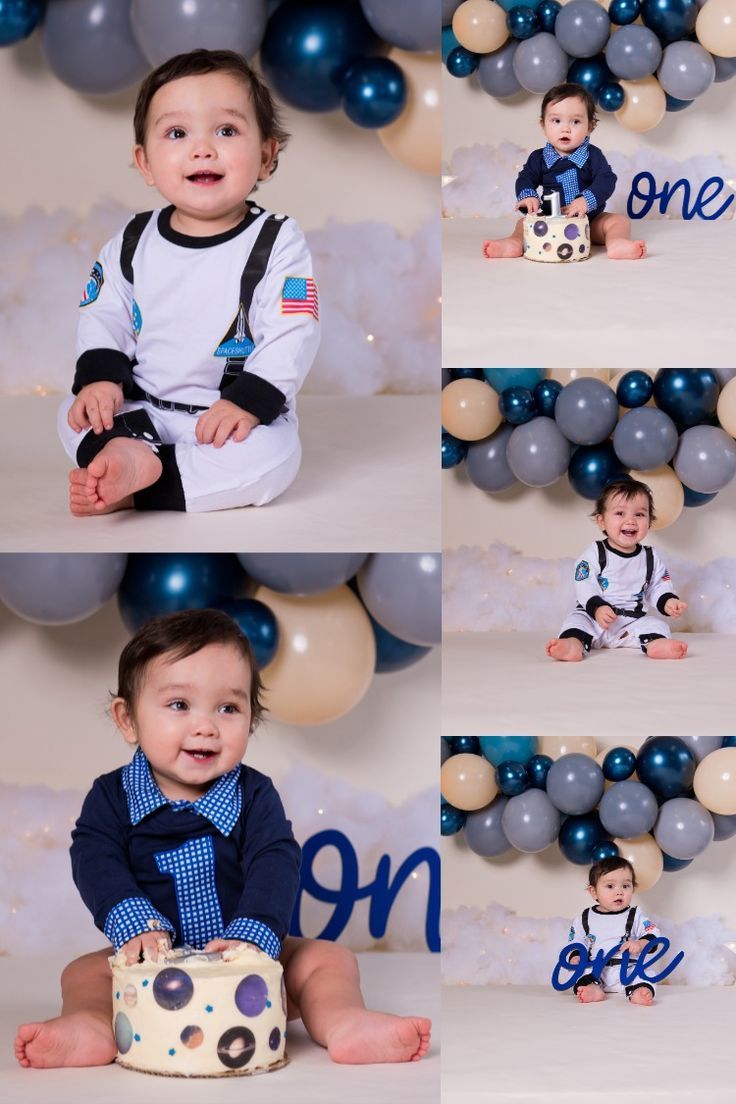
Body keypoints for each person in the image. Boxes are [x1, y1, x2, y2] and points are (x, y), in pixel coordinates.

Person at [14, 610, 431, 1068]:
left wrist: (254, 934)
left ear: (252, 718)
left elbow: (276, 860)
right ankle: (91, 1027)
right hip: (149, 970)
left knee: (328, 961)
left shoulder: (254, 795)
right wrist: (133, 924)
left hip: (248, 974)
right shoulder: (112, 798)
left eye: (228, 707)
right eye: (179, 705)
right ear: (128, 719)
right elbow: (95, 858)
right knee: (83, 974)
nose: (206, 725)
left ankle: (344, 1022)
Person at [57, 49, 320, 516]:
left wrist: (248, 404)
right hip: (143, 411)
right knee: (74, 414)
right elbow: (105, 313)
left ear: (265, 155)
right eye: (177, 133)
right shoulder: (133, 239)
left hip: (232, 420)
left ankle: (138, 481)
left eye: (227, 130)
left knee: (273, 459)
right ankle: (131, 452)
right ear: (145, 163)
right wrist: (100, 380)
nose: (203, 148)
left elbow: (293, 331)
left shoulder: (278, 241)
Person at [482, 83, 646, 261]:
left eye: (575, 121)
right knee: (523, 224)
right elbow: (526, 177)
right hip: (548, 223)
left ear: (590, 126)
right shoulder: (539, 158)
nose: (565, 128)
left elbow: (606, 180)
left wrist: (587, 200)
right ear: (543, 125)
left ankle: (617, 243)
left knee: (619, 222)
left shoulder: (593, 155)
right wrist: (528, 196)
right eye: (556, 121)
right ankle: (513, 244)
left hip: (588, 222)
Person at [546, 478, 688, 661]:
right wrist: (597, 608)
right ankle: (573, 644)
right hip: (594, 617)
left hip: (630, 622)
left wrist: (667, 601)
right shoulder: (596, 553)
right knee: (576, 622)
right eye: (620, 513)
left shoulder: (650, 557)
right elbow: (584, 582)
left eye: (639, 514)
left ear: (650, 522)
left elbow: (658, 585)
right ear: (601, 521)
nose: (630, 520)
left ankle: (656, 644)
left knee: (655, 624)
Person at [567, 857, 660, 1005]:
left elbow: (654, 934)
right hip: (596, 969)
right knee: (578, 973)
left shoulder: (635, 916)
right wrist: (576, 956)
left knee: (645, 974)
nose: (619, 892)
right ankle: (592, 988)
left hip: (627, 968)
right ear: (594, 892)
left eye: (625, 886)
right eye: (610, 886)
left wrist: (640, 943)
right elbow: (576, 940)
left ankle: (639, 991)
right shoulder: (584, 918)